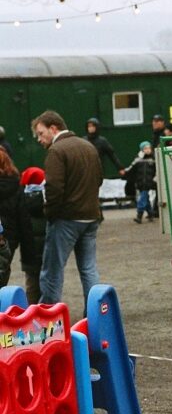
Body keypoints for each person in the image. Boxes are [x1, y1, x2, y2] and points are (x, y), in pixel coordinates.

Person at [31, 110, 102, 311]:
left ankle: (48, 315)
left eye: (41, 133)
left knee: (52, 270)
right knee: (89, 269)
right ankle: (94, 313)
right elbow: (99, 179)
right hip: (90, 217)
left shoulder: (57, 151)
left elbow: (53, 188)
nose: (39, 139)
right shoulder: (88, 147)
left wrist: (49, 214)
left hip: (66, 219)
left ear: (53, 128)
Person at [0, 149, 35, 287]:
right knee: (3, 270)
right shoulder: (16, 184)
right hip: (10, 237)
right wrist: (28, 255)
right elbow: (23, 219)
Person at [19, 167, 47, 303]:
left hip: (28, 250)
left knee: (31, 283)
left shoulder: (21, 200)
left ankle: (31, 309)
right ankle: (48, 310)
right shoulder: (47, 199)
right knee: (48, 281)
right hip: (46, 248)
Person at [125, 141, 157, 223]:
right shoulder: (138, 159)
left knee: (142, 198)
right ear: (142, 149)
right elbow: (131, 168)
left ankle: (139, 215)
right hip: (140, 182)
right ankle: (150, 213)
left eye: (149, 148)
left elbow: (157, 169)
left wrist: (155, 178)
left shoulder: (153, 159)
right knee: (145, 198)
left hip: (149, 182)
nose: (148, 150)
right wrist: (125, 172)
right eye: (145, 148)